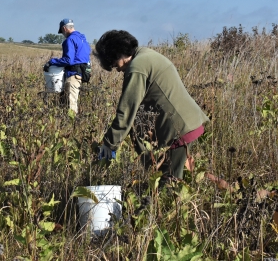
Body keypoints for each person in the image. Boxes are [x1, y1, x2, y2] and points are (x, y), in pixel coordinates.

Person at [95, 30, 209, 181]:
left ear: (117, 53)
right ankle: (229, 190)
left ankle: (233, 195)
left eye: (113, 63)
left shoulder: (137, 67)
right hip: (188, 123)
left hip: (178, 130)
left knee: (169, 183)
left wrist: (110, 144)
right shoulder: (146, 54)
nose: (116, 68)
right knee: (188, 172)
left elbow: (127, 110)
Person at [43, 18, 91, 113]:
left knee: (71, 103)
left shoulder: (70, 40)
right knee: (68, 100)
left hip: (73, 74)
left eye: (62, 32)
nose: (63, 35)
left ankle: (72, 125)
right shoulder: (83, 39)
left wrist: (52, 62)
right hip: (83, 74)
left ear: (64, 28)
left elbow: (68, 60)